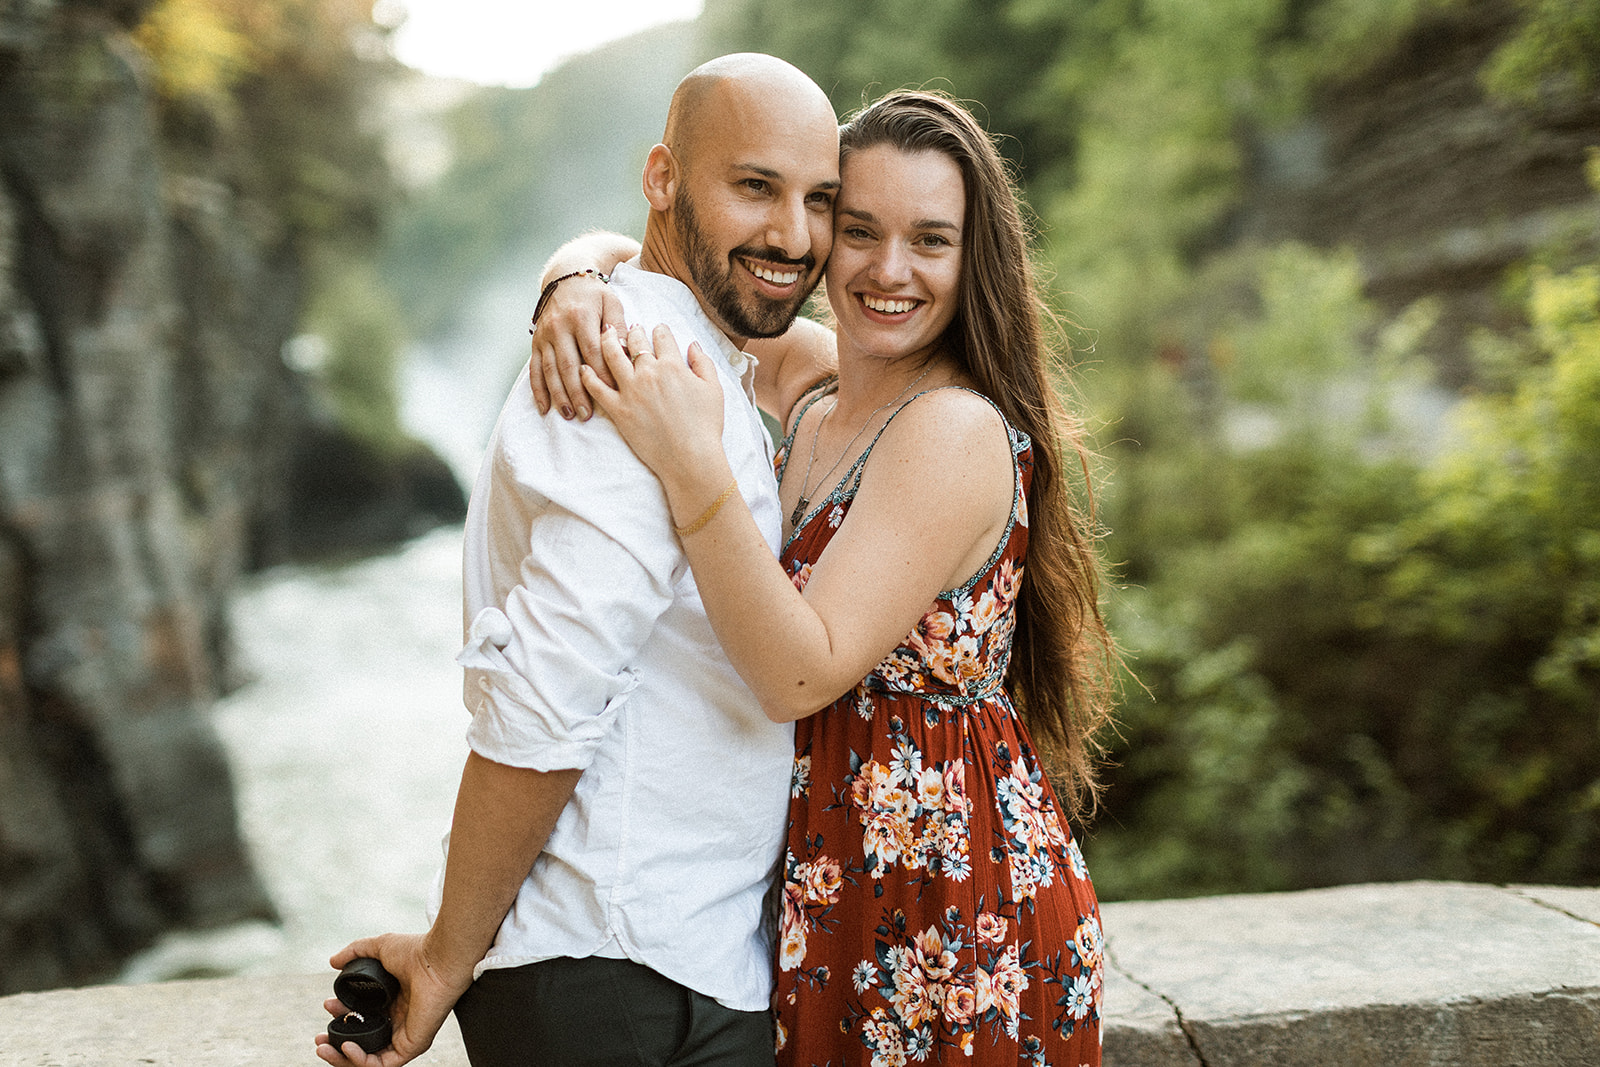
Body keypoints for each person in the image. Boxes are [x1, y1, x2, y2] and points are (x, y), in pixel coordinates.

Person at [531, 90, 1116, 1067]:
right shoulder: (813, 386)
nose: (890, 270)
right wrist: (573, 285)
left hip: (944, 916)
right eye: (860, 231)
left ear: (973, 261)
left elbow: (800, 674)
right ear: (815, 236)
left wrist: (694, 467)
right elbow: (635, 259)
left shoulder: (950, 429)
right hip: (827, 886)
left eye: (930, 240)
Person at [314, 53, 842, 1067]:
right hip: (608, 967)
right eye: (755, 186)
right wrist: (444, 956)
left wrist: (577, 267)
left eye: (818, 199)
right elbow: (546, 696)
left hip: (690, 957)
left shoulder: (701, 352)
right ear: (662, 179)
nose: (792, 234)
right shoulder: (627, 364)